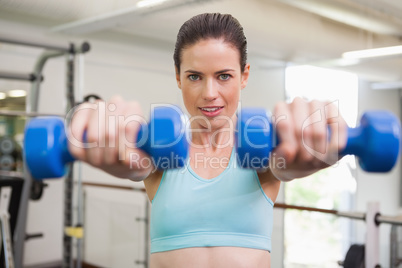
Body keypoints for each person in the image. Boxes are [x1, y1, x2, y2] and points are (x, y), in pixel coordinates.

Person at [69, 13, 348, 268]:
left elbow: (288, 166)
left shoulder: (261, 151)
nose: (209, 92)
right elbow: (133, 165)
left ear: (244, 76)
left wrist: (317, 151)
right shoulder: (159, 151)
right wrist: (102, 142)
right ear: (178, 77)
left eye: (224, 76)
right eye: (195, 76)